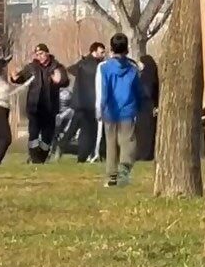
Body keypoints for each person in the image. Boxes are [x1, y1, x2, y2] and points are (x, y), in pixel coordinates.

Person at [96, 33, 143, 186]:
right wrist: (139, 106)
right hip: (128, 109)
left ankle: (111, 174)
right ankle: (124, 169)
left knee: (111, 142)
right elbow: (138, 91)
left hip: (110, 109)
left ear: (111, 49)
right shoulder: (132, 70)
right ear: (127, 50)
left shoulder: (105, 68)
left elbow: (104, 89)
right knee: (127, 141)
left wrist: (101, 107)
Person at [11, 43, 69, 163]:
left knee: (47, 136)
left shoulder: (57, 67)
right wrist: (14, 77)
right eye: (37, 54)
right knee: (33, 134)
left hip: (50, 107)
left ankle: (41, 158)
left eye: (41, 53)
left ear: (47, 53)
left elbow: (65, 81)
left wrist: (59, 81)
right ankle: (34, 157)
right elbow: (20, 78)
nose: (40, 56)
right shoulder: (31, 67)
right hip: (35, 107)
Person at [59, 41, 106, 162]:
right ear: (94, 52)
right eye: (101, 52)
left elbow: (71, 69)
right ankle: (84, 155)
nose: (103, 55)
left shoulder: (83, 64)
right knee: (88, 131)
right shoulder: (95, 66)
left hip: (80, 102)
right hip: (89, 104)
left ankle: (61, 147)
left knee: (74, 128)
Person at [136, 54, 160, 161]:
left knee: (145, 130)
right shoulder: (152, 75)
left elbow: (148, 91)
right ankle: (145, 153)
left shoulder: (146, 76)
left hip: (146, 106)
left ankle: (144, 153)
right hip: (148, 106)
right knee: (145, 130)